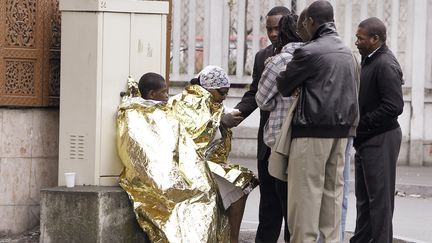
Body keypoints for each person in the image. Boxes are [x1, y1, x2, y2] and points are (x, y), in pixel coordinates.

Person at [275, 1, 359, 242]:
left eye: (304, 25)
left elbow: (284, 84)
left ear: (310, 21)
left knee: (305, 199)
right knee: (332, 197)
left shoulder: (309, 51)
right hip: (343, 133)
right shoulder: (347, 53)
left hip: (312, 131)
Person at [222, 6, 291, 243]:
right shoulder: (262, 56)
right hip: (267, 142)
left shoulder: (303, 54)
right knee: (269, 203)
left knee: (291, 205)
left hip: (292, 141)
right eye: (269, 28)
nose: (273, 33)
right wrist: (236, 113)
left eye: (278, 28)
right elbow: (254, 93)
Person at [350, 17, 403, 243]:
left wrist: (362, 124)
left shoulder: (385, 64)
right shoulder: (370, 59)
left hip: (380, 139)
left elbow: (394, 106)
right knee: (364, 200)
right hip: (366, 140)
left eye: (360, 39)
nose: (356, 42)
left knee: (379, 202)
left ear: (375, 39)